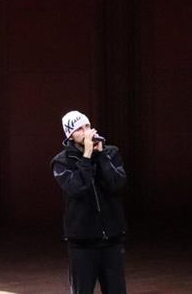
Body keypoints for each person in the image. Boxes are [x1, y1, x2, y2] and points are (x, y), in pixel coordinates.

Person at [51, 110, 127, 294]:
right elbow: (76, 188)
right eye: (79, 129)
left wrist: (101, 156)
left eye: (87, 126)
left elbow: (117, 183)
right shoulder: (62, 161)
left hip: (111, 239)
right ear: (70, 135)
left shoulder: (110, 152)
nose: (86, 131)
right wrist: (86, 157)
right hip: (82, 242)